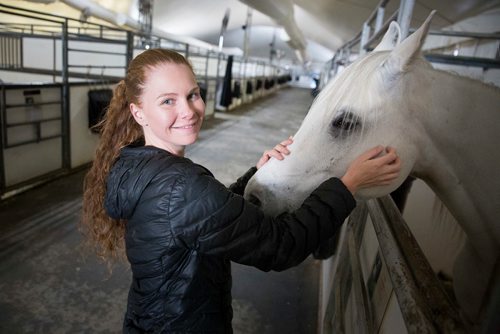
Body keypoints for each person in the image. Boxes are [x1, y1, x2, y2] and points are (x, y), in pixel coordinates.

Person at [81, 48, 401, 333]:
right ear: (139, 113)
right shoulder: (181, 186)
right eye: (168, 101)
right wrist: (347, 186)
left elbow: (206, 219)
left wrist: (253, 174)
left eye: (193, 94)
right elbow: (281, 244)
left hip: (149, 318)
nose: (189, 110)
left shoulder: (134, 162)